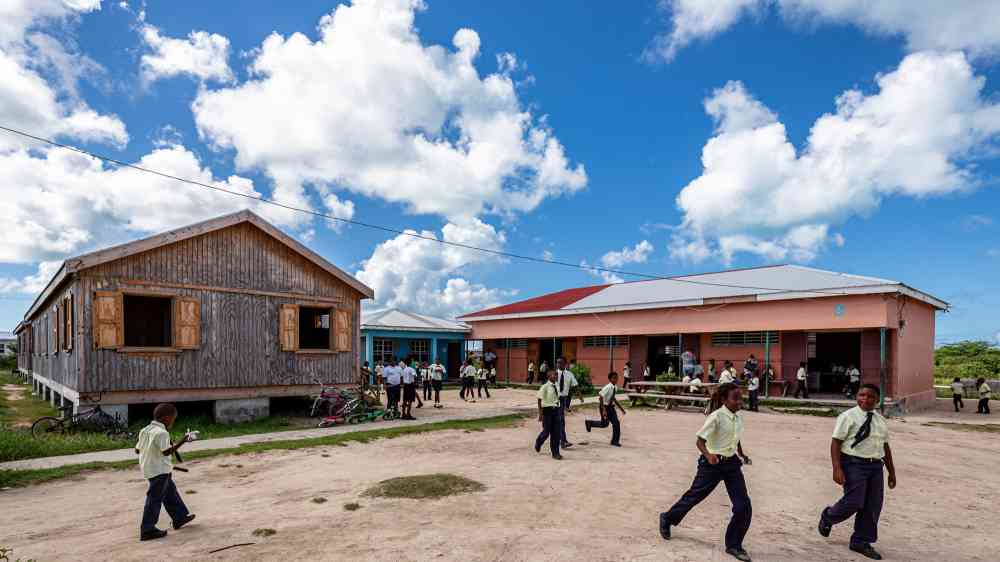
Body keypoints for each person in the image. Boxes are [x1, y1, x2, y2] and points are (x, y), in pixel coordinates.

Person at [659, 383, 753, 562]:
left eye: (741, 398)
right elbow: (700, 441)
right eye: (735, 398)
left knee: (743, 506)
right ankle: (667, 518)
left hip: (731, 464)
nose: (740, 402)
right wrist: (709, 456)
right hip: (712, 464)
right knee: (694, 496)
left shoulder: (737, 417)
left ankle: (734, 545)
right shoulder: (716, 417)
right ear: (724, 400)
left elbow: (735, 437)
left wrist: (741, 454)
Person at [818, 384, 896, 560]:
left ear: (877, 400)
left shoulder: (880, 421)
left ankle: (861, 541)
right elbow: (836, 442)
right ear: (856, 396)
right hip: (853, 463)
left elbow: (885, 447)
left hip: (875, 466)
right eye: (862, 395)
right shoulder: (848, 417)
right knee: (854, 501)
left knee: (873, 505)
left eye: (870, 396)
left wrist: (891, 472)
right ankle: (828, 516)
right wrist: (836, 468)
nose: (865, 399)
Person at [135, 403, 196, 541]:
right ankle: (147, 529)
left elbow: (137, 450)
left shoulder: (145, 429)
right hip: (159, 470)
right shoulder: (162, 433)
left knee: (170, 492)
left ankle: (179, 517)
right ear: (166, 418)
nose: (173, 422)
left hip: (150, 468)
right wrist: (184, 440)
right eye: (173, 419)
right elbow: (166, 452)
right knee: (154, 499)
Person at [585, 372, 627, 446]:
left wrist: (621, 409)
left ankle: (614, 441)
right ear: (610, 379)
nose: (616, 379)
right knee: (604, 424)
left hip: (611, 407)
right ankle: (590, 423)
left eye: (616, 378)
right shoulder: (608, 387)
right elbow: (600, 397)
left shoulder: (615, 387)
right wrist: (604, 410)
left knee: (616, 423)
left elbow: (613, 398)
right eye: (614, 378)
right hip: (604, 407)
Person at [534, 368, 562, 460]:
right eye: (554, 374)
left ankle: (555, 453)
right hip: (547, 411)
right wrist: (540, 414)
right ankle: (539, 442)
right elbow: (539, 399)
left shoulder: (557, 385)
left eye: (556, 374)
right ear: (548, 376)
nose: (556, 376)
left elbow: (558, 397)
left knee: (556, 433)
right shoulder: (545, 387)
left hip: (556, 410)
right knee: (546, 432)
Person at [554, 357, 579, 449]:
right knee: (560, 420)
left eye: (560, 362)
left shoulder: (569, 374)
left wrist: (580, 396)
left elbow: (575, 385)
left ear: (565, 364)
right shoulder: (554, 374)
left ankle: (561, 440)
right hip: (555, 399)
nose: (558, 364)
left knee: (560, 421)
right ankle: (562, 441)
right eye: (557, 362)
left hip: (563, 399)